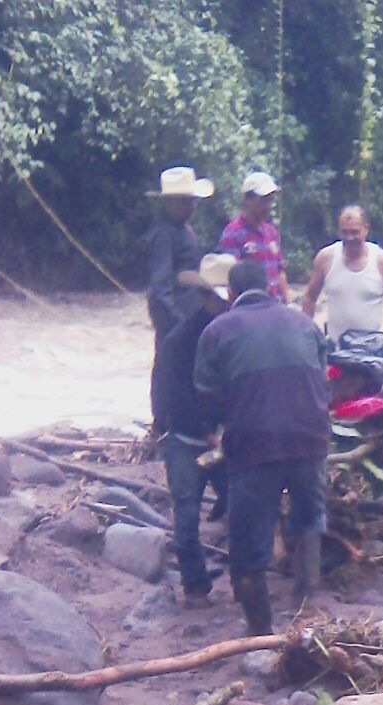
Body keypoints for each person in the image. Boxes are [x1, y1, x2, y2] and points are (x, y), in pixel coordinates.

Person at [194, 259, 331, 634]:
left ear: (231, 293)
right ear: (271, 288)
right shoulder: (304, 323)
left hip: (254, 447)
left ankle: (259, 629)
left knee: (247, 539)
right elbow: (323, 379)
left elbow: (207, 396)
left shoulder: (217, 331)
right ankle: (307, 604)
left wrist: (216, 433)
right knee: (309, 518)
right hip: (311, 440)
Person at [153, 254, 234, 607]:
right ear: (204, 297)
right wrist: (211, 434)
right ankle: (196, 588)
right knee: (186, 519)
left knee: (241, 512)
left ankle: (244, 580)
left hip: (223, 438)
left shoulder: (234, 334)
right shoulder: (180, 340)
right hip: (189, 440)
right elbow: (174, 399)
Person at [145, 166, 214, 421]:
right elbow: (160, 287)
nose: (191, 207)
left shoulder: (185, 231)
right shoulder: (165, 235)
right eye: (185, 201)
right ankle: (164, 423)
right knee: (169, 371)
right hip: (175, 319)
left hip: (189, 315)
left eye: (192, 201)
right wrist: (176, 325)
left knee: (183, 374)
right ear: (170, 203)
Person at [301, 205, 383, 342]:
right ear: (338, 231)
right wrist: (307, 334)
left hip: (372, 347)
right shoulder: (326, 258)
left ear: (366, 229)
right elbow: (309, 298)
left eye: (355, 232)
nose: (350, 238)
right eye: (344, 232)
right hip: (336, 346)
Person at [217, 171, 292, 304]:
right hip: (251, 306)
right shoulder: (233, 233)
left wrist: (288, 301)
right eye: (263, 200)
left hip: (275, 304)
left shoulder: (271, 232)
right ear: (247, 199)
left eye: (270, 200)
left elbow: (280, 270)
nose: (267, 206)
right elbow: (231, 277)